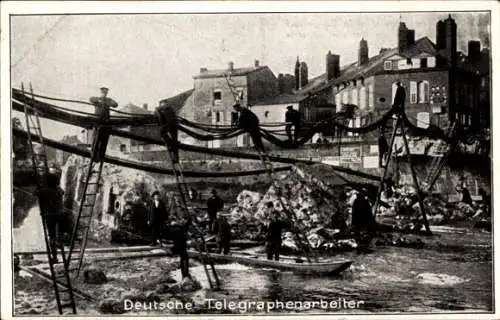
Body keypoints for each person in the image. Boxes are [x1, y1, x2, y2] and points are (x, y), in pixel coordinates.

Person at [38, 172, 65, 263]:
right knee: (58, 235)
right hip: (60, 214)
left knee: (51, 236)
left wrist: (41, 186)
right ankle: (57, 253)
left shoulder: (44, 191)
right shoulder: (59, 190)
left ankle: (54, 257)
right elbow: (62, 191)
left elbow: (35, 193)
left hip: (50, 215)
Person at [89, 87, 118, 162]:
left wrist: (107, 102)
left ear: (107, 93)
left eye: (105, 92)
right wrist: (100, 100)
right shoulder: (97, 99)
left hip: (106, 123)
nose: (104, 94)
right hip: (98, 122)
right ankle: (93, 156)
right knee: (96, 140)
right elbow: (90, 99)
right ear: (100, 92)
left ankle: (101, 157)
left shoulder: (108, 100)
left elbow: (115, 104)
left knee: (104, 141)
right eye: (103, 92)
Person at [169, 215, 192, 279]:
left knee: (183, 259)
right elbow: (185, 226)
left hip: (178, 247)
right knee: (185, 259)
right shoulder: (179, 229)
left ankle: (184, 274)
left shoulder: (173, 229)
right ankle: (185, 274)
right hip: (181, 247)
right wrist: (189, 219)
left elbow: (185, 226)